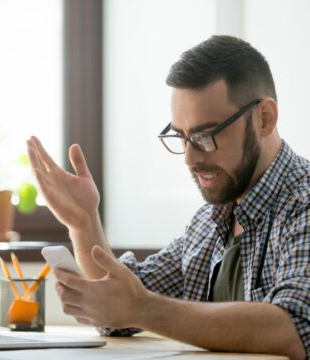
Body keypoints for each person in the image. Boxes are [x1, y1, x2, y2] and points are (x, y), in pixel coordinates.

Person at [27, 35, 309, 360]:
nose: (189, 158)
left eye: (205, 135)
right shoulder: (208, 223)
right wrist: (83, 221)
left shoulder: (303, 205)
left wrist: (143, 308)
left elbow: (295, 327)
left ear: (264, 118)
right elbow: (122, 311)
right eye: (181, 136)